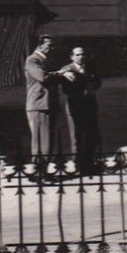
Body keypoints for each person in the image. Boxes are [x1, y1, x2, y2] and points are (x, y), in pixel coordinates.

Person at [54, 46, 103, 173]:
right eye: (77, 55)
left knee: (90, 133)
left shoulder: (90, 67)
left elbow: (98, 81)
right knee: (76, 135)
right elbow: (65, 89)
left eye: (82, 54)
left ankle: (90, 162)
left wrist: (93, 87)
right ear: (72, 56)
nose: (80, 57)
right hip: (75, 106)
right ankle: (78, 164)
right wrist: (79, 90)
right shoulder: (67, 69)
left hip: (90, 105)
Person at [23, 37, 58, 168]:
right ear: (39, 46)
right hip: (38, 105)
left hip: (47, 104)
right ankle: (39, 171)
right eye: (48, 45)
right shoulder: (32, 60)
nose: (51, 48)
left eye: (52, 46)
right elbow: (42, 77)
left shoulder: (46, 60)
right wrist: (60, 73)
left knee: (47, 141)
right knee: (40, 141)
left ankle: (44, 170)